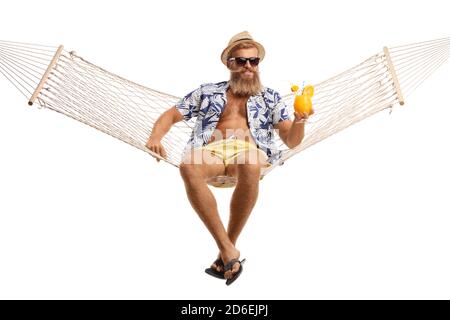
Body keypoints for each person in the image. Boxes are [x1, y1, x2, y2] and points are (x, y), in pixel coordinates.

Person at [145, 31, 311, 285]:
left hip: (249, 154)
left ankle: (226, 250)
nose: (249, 67)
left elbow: (291, 140)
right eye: (242, 61)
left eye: (254, 62)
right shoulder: (207, 92)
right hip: (211, 151)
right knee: (188, 165)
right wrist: (155, 137)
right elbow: (171, 115)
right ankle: (228, 250)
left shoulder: (271, 98)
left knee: (250, 162)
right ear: (229, 63)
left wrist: (299, 122)